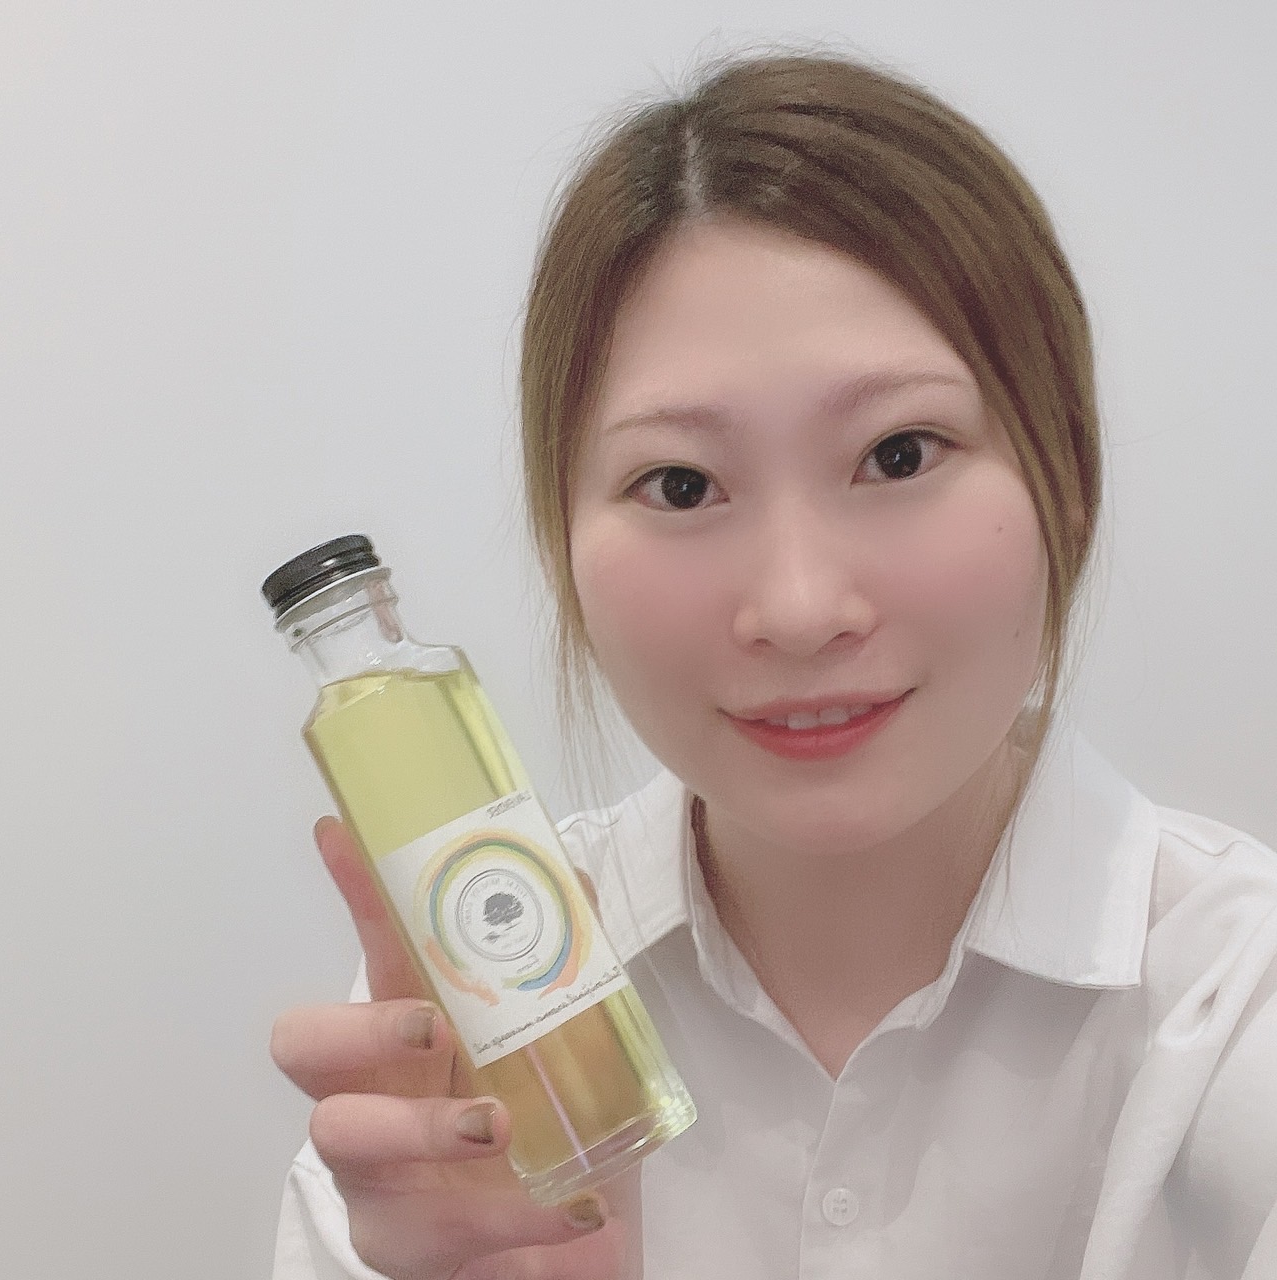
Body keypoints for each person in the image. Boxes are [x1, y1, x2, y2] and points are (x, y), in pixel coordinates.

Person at [270, 53, 1277, 1280]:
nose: (798, 610)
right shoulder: (473, 1043)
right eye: (680, 483)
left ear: (1064, 475)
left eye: (898, 453)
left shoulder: (1233, 997)